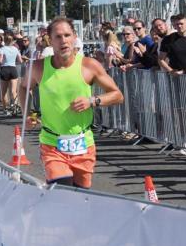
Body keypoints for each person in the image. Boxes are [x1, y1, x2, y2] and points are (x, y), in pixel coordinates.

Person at [19, 17, 124, 189]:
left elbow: (117, 95)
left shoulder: (89, 65)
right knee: (62, 192)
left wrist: (93, 101)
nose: (63, 41)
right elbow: (23, 88)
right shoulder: (38, 67)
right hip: (52, 143)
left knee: (81, 198)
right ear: (50, 40)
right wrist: (27, 114)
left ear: (75, 37)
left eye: (67, 35)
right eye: (58, 37)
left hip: (83, 143)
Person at [0, 33, 21, 116]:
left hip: (5, 68)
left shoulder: (2, 49)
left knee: (4, 92)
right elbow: (20, 60)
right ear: (12, 41)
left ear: (4, 40)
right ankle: (16, 107)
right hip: (13, 68)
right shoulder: (15, 49)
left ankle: (5, 109)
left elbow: (0, 60)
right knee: (14, 91)